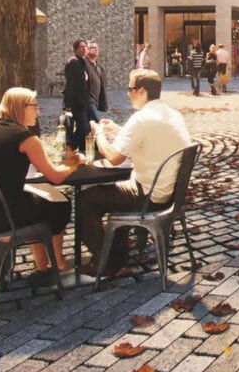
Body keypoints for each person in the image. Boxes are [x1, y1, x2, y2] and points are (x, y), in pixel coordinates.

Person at [81, 70, 191, 277]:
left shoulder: (142, 118)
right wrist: (117, 129)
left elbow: (114, 157)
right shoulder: (170, 113)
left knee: (85, 200)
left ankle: (105, 263)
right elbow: (146, 136)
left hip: (149, 196)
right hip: (170, 195)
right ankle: (116, 258)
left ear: (141, 91)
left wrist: (99, 134)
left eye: (130, 89)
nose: (127, 94)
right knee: (116, 194)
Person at [0, 88, 79, 284]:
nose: (38, 111)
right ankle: (59, 264)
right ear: (20, 107)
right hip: (4, 217)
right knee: (60, 203)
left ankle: (42, 266)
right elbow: (55, 177)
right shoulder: (27, 138)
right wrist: (74, 164)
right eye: (35, 107)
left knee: (40, 201)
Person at [62, 39, 90, 151]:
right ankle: (71, 146)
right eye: (81, 47)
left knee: (82, 127)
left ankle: (72, 147)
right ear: (75, 49)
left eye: (85, 47)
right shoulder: (73, 62)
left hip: (83, 101)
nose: (84, 49)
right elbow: (70, 84)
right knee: (84, 127)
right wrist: (68, 104)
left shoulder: (82, 62)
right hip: (75, 102)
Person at [85, 41, 108, 123]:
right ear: (86, 50)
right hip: (87, 99)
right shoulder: (83, 64)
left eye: (96, 48)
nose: (95, 50)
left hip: (96, 100)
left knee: (86, 126)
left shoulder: (98, 67)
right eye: (92, 48)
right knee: (96, 121)